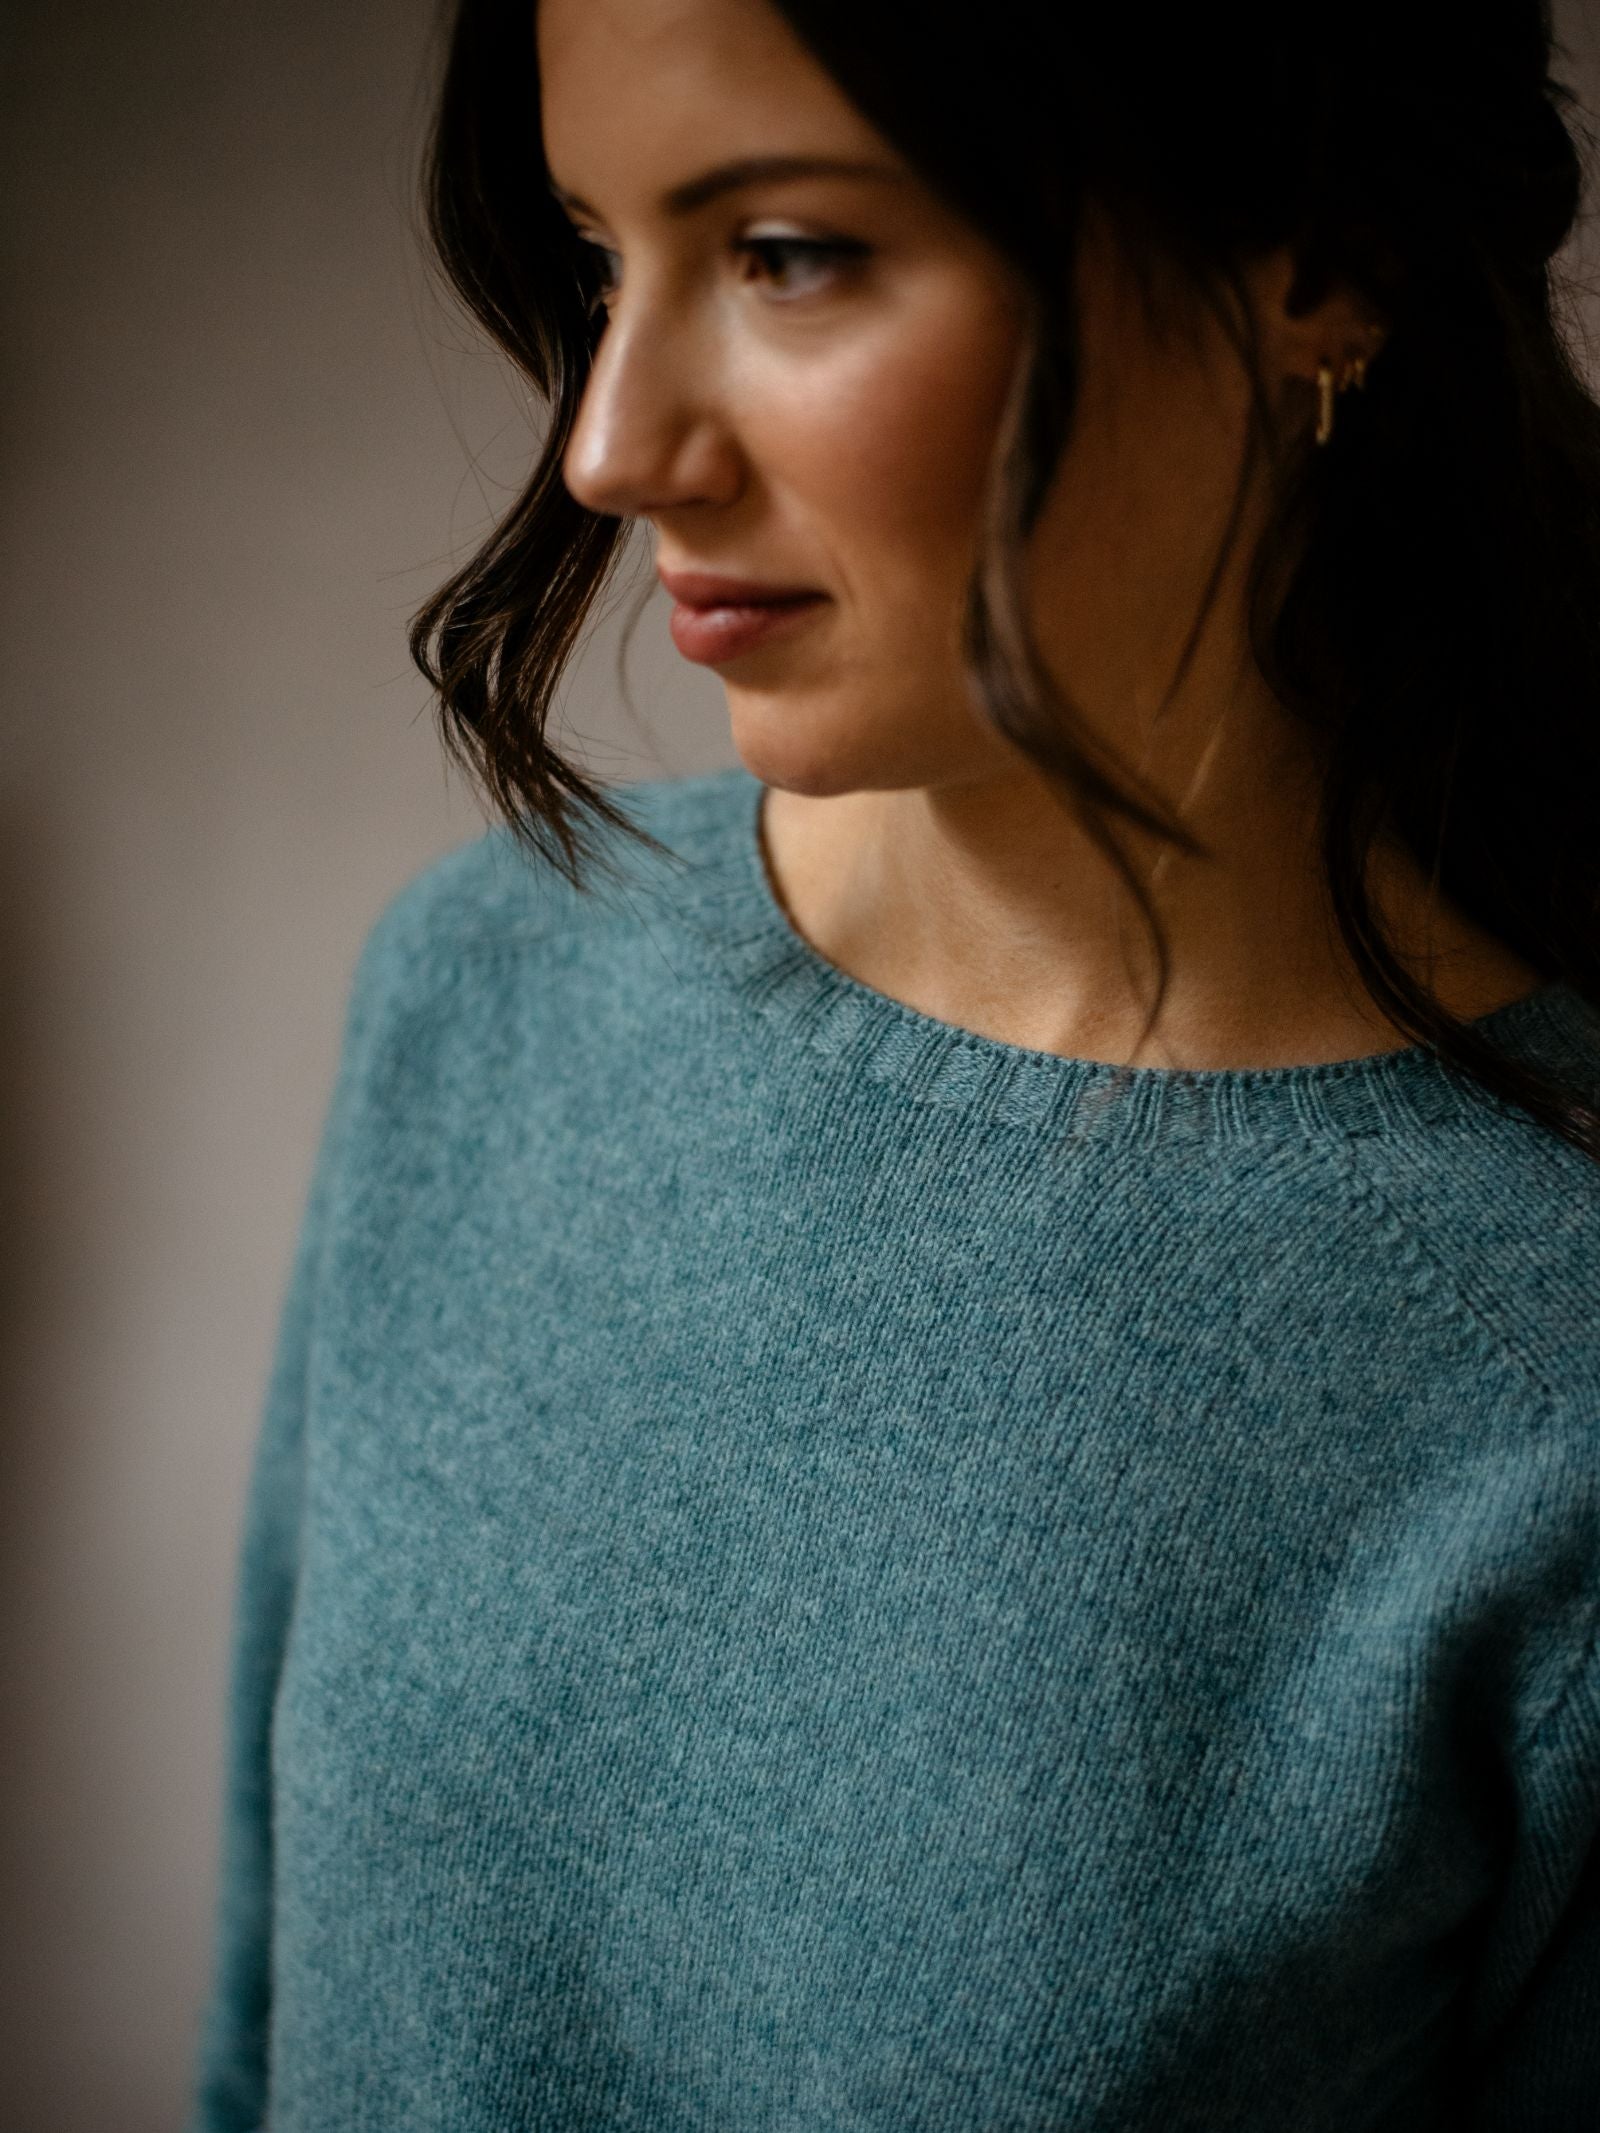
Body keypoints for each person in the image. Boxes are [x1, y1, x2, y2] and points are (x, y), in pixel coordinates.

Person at [186, 0, 1600, 2125]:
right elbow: (261, 2035)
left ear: (1321, 259)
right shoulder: (484, 987)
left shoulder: (1545, 1361)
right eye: (598, 256)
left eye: (787, 255)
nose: (608, 444)